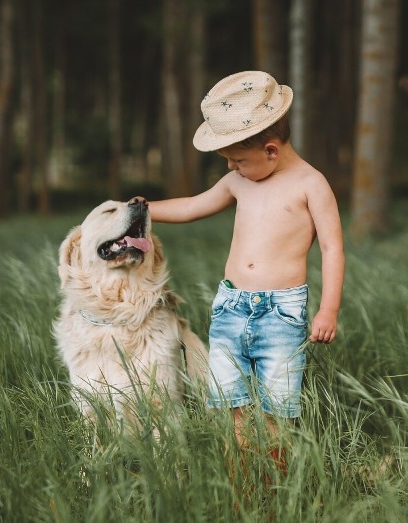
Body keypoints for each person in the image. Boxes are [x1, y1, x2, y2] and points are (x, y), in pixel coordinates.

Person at [147, 70, 344, 478]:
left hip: (280, 314)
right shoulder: (240, 181)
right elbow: (192, 206)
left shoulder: (311, 185)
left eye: (238, 160)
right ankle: (239, 484)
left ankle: (275, 487)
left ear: (271, 150)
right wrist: (144, 209)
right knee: (229, 403)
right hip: (231, 307)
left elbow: (332, 248)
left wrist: (328, 310)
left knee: (277, 408)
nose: (233, 168)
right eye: (230, 162)